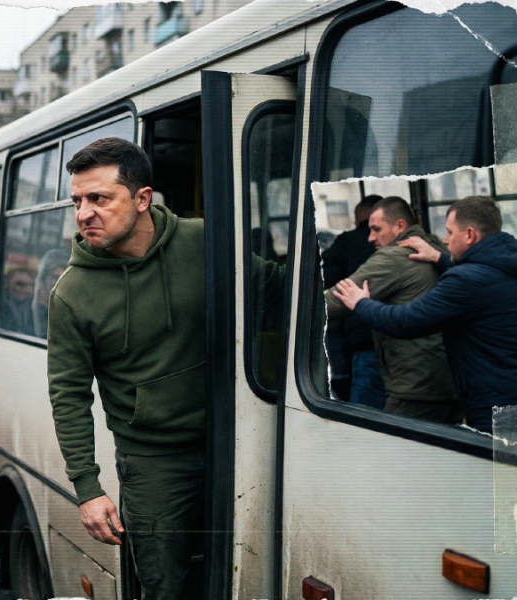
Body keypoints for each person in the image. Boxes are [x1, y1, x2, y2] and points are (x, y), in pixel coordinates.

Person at [47, 137, 282, 599]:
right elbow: (69, 396)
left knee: (250, 574)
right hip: (153, 461)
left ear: (141, 199)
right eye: (77, 201)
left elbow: (275, 292)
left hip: (239, 440)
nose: (83, 213)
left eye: (99, 198)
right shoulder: (71, 294)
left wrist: (357, 298)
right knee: (164, 586)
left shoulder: (203, 242)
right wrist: (88, 489)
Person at [334, 195, 517, 433]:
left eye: (450, 233)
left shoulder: (465, 281)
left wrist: (360, 304)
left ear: (470, 235)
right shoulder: (505, 266)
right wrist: (440, 258)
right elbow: (483, 279)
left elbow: (406, 322)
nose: (445, 239)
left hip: (491, 405)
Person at [324, 197, 461, 422]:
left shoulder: (395, 256)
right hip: (448, 378)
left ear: (399, 226)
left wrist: (292, 308)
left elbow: (335, 301)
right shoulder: (434, 246)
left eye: (376, 229)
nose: (370, 238)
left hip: (416, 385)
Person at [321, 195, 382, 403]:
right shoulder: (402, 247)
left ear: (359, 217)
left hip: (362, 338)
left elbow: (323, 279)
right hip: (396, 341)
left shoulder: (347, 242)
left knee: (364, 412)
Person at [32, 249, 68, 338]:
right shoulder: (26, 312)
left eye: (65, 278)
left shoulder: (73, 314)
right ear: (43, 280)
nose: (60, 283)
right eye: (55, 277)